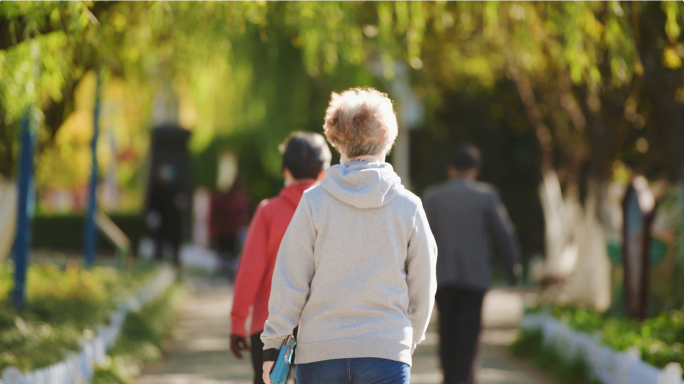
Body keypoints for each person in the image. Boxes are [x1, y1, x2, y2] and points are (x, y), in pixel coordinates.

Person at [261, 87, 438, 384]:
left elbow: (290, 278)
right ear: (388, 140)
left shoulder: (314, 202)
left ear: (336, 140)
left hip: (320, 352)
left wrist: (272, 344)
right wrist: (407, 339)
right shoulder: (408, 207)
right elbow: (424, 283)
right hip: (386, 349)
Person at [230, 131, 332, 384]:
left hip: (270, 325)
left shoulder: (268, 212)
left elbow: (250, 271)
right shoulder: (332, 212)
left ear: (285, 171)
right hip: (323, 325)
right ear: (323, 172)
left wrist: (237, 322)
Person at [422, 144, 521, 384]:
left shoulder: (432, 197)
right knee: (468, 335)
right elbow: (503, 233)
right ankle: (463, 379)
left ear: (450, 169)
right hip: (474, 279)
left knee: (447, 332)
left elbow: (420, 239)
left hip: (442, 277)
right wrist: (513, 265)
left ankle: (449, 377)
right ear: (475, 170)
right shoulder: (486, 196)